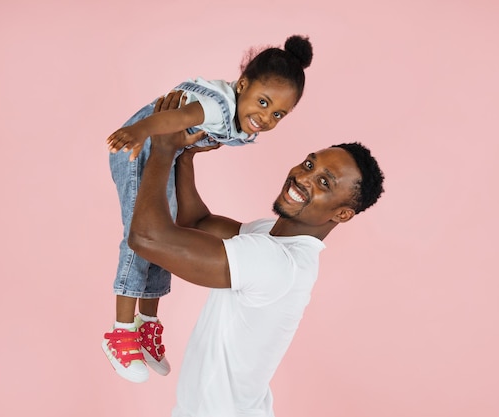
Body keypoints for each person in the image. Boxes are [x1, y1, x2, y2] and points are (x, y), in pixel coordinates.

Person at [127, 91, 385, 416]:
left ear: (342, 213)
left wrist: (163, 151)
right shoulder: (273, 237)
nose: (302, 177)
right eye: (309, 164)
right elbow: (197, 222)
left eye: (323, 182)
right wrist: (185, 155)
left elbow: (146, 238)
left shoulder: (278, 263)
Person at [103, 35, 314, 383]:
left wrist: (184, 153)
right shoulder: (215, 106)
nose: (266, 117)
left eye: (278, 113)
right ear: (242, 85)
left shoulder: (245, 123)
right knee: (140, 236)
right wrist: (138, 131)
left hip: (165, 151)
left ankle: (146, 323)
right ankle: (120, 330)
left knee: (165, 237)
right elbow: (178, 117)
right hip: (140, 148)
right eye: (262, 102)